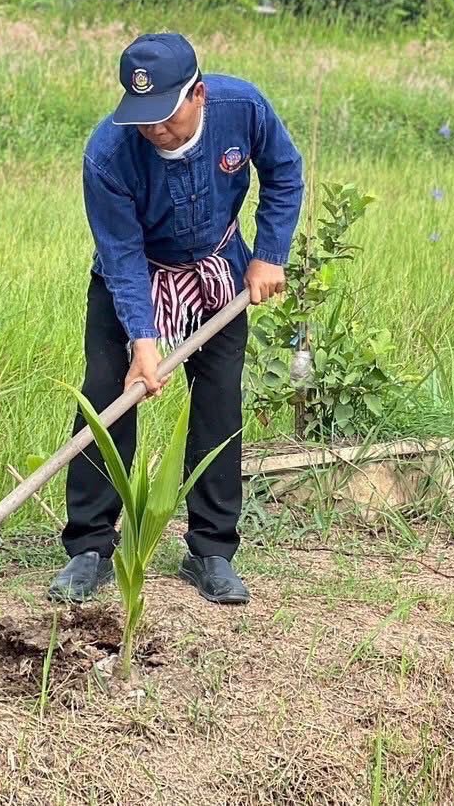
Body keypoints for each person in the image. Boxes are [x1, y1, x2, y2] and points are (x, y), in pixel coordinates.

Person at [48, 33, 304, 606]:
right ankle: (89, 547)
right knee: (107, 395)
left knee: (217, 404)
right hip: (135, 274)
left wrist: (270, 255)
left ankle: (210, 552)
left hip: (218, 269)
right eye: (144, 118)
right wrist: (143, 340)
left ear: (199, 94)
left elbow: (285, 172)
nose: (155, 130)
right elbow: (120, 254)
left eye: (167, 116)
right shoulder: (107, 155)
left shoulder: (243, 109)